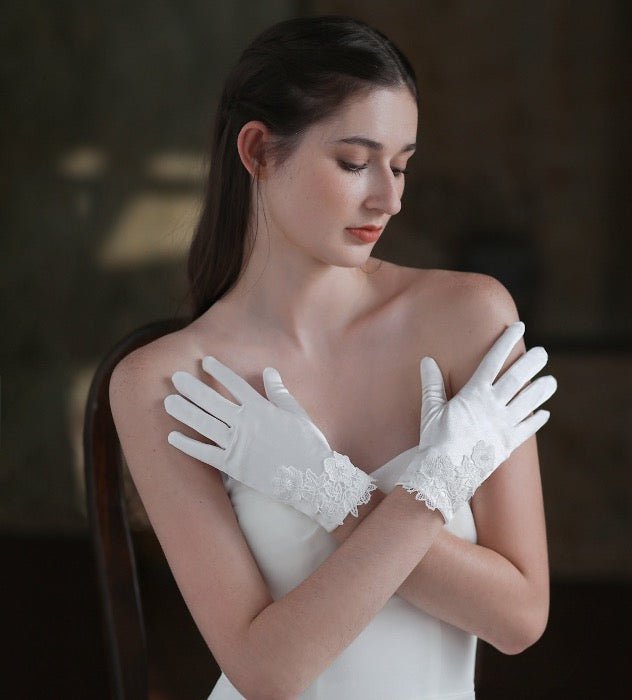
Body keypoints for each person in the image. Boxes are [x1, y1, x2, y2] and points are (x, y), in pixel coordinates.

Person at [109, 15, 557, 700]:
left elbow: (519, 619)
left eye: (401, 164)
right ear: (258, 151)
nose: (389, 196)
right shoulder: (165, 383)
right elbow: (266, 671)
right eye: (354, 162)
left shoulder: (469, 318)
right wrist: (426, 490)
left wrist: (334, 494)